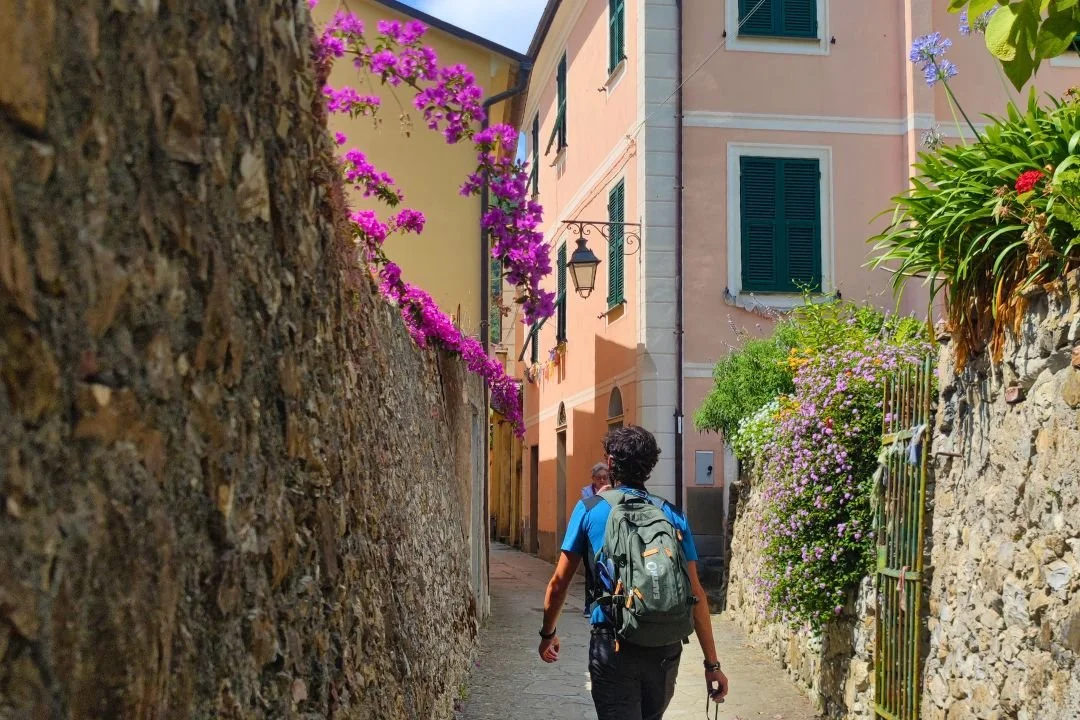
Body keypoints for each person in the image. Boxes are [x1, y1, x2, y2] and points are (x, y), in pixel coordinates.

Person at [537, 425, 729, 719]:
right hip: (665, 645)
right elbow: (696, 592)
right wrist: (712, 665)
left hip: (613, 642)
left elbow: (559, 583)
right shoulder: (672, 514)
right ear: (651, 466)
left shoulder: (589, 509)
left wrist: (548, 633)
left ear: (611, 463)